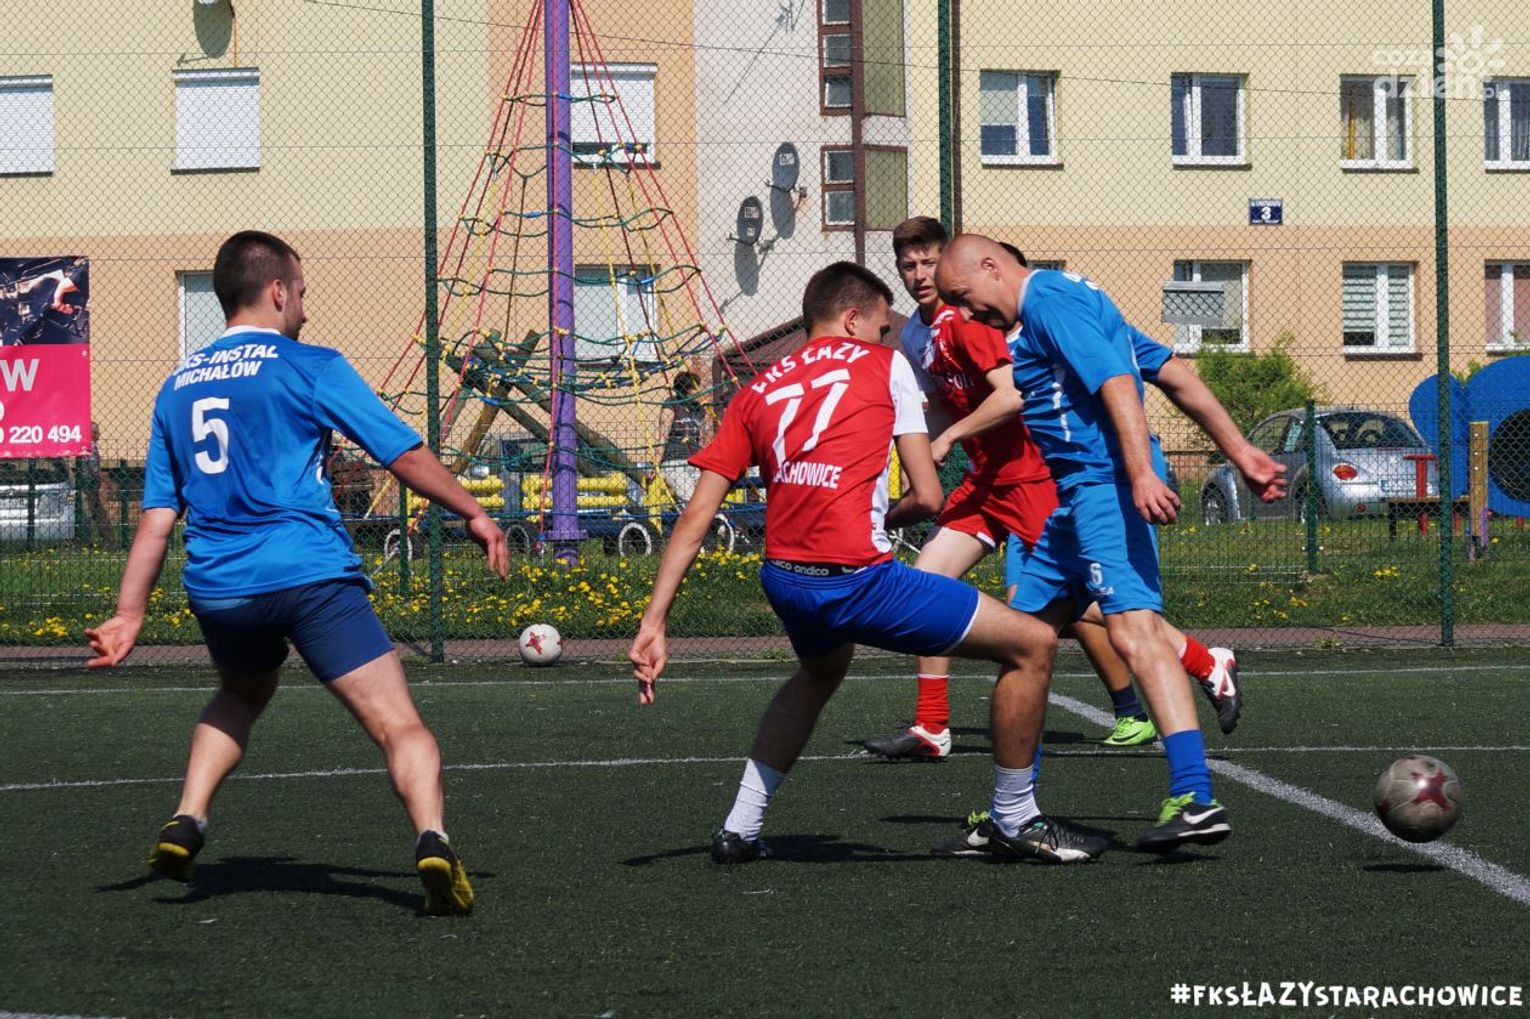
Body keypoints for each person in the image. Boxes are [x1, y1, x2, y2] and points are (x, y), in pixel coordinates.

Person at [84, 231, 508, 915]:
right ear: (278, 291)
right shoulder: (310, 364)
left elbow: (157, 518)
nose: (306, 309)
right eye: (302, 293)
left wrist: (129, 613)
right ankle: (432, 838)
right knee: (399, 725)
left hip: (221, 587)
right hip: (310, 576)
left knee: (240, 694)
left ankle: (188, 817)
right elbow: (401, 453)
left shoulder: (176, 388)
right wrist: (474, 512)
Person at [628, 261, 1106, 865]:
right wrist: (881, 517)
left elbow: (696, 518)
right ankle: (1017, 820)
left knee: (819, 672)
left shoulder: (758, 389)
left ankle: (739, 828)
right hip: (857, 580)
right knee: (1033, 644)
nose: (886, 337)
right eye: (882, 327)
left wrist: (654, 621)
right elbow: (928, 498)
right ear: (853, 319)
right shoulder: (886, 366)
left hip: (785, 579)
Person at [934, 235, 1287, 851]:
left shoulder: (1048, 302)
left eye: (963, 296)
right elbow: (1172, 372)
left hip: (1103, 487)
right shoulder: (1067, 299)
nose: (965, 313)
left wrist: (1140, 472)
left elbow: (1119, 381)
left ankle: (1195, 798)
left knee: (1133, 631)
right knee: (1022, 642)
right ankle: (1011, 815)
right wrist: (1240, 451)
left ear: (992, 267)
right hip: (1071, 503)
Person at [862, 217, 1239, 763]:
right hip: (987, 481)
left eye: (928, 263)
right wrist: (924, 455)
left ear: (963, 264)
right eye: (908, 265)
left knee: (1083, 608)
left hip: (1036, 476)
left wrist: (950, 437)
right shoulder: (921, 333)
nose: (919, 274)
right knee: (929, 585)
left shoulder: (992, 315)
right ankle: (933, 725)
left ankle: (1193, 676)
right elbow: (940, 406)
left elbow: (1019, 392)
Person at [654, 371, 707, 506]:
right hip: (674, 461)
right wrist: (655, 464)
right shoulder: (672, 404)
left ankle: (717, 519)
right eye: (694, 388)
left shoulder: (698, 408)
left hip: (694, 462)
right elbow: (662, 435)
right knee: (690, 499)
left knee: (707, 497)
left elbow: (700, 439)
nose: (698, 391)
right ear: (685, 390)